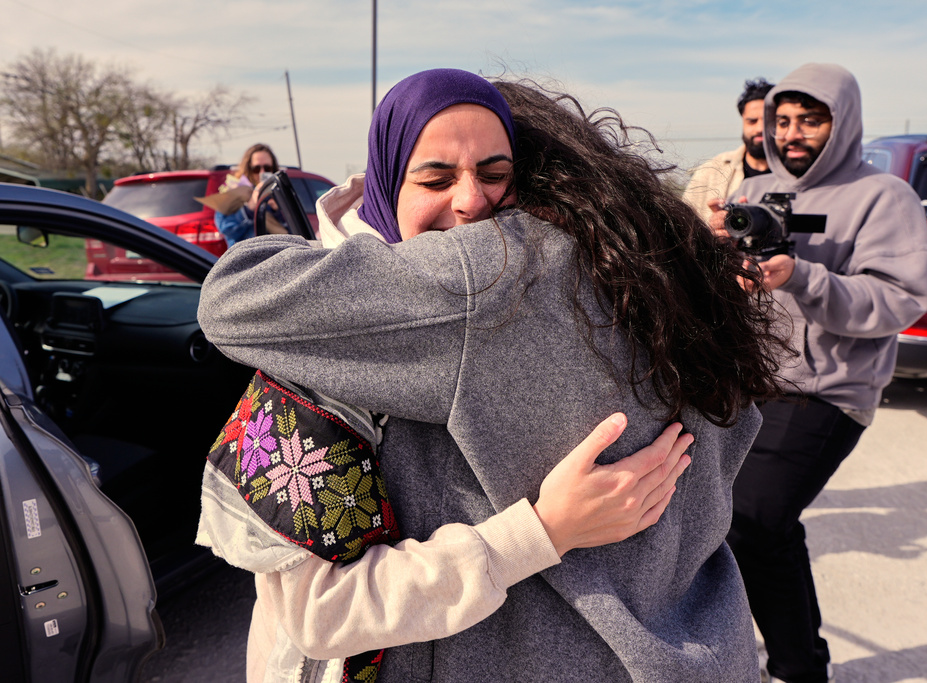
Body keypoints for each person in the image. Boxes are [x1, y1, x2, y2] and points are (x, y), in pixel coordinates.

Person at [199, 69, 789, 682]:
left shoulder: (490, 271)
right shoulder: (656, 268)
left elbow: (232, 297)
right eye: (434, 177)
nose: (471, 202)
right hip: (707, 649)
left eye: (495, 174)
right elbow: (319, 610)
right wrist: (541, 530)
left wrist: (540, 534)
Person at [708, 63, 927, 683]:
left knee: (754, 518)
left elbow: (900, 299)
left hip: (829, 388)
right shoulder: (754, 194)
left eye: (811, 119)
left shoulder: (884, 197)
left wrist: (803, 275)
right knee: (729, 521)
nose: (794, 132)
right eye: (784, 120)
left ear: (843, 121)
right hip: (752, 377)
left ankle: (797, 668)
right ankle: (780, 654)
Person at [683, 77, 774, 224]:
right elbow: (684, 230)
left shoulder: (802, 175)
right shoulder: (711, 172)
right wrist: (712, 233)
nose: (759, 129)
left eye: (768, 121)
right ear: (743, 121)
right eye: (752, 121)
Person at [215, 143, 280, 246]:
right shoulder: (234, 192)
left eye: (267, 168)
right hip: (246, 259)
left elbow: (294, 233)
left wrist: (278, 210)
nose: (262, 173)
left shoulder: (280, 192)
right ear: (248, 168)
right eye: (256, 169)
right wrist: (248, 210)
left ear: (273, 169)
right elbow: (226, 229)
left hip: (277, 257)